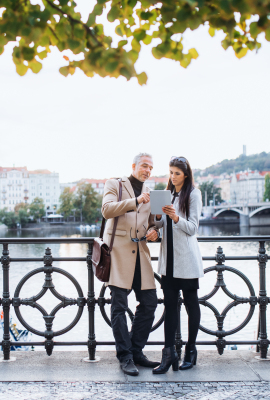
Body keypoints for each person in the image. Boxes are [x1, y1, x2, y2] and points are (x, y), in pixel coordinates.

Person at [101, 152, 162, 376]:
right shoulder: (115, 184)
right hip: (118, 253)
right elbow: (106, 210)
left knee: (149, 302)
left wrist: (155, 231)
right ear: (134, 166)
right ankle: (124, 356)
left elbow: (152, 222)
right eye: (144, 166)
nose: (147, 170)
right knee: (118, 306)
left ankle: (136, 351)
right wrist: (135, 201)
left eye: (151, 168)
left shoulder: (151, 193)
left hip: (141, 254)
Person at [150, 156, 204, 374]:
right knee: (170, 306)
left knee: (191, 304)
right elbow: (160, 223)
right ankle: (169, 353)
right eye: (170, 172)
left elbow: (192, 228)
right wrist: (156, 219)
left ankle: (191, 350)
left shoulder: (193, 194)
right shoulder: (167, 194)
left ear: (186, 174)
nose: (172, 177)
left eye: (177, 173)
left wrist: (174, 218)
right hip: (169, 260)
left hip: (186, 259)